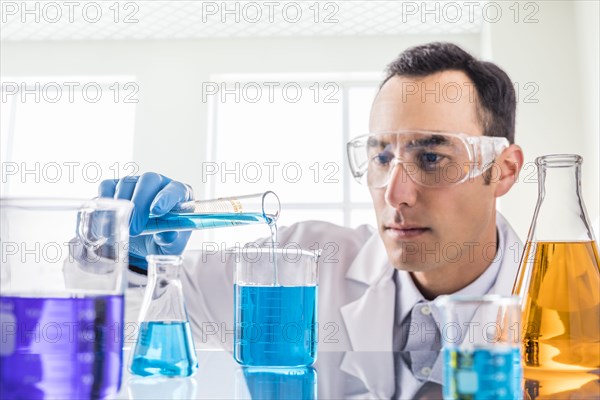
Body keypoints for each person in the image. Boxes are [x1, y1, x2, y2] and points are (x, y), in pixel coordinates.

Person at [97, 42, 524, 394]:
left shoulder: (572, 306)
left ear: (503, 170)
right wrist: (130, 261)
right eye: (381, 156)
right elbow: (118, 336)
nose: (395, 193)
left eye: (432, 157)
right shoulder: (299, 265)